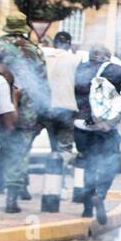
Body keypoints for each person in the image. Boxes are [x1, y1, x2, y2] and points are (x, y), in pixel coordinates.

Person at [0, 12, 51, 213]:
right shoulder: (34, 50)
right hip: (27, 108)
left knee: (3, 146)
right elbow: (42, 82)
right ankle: (12, 198)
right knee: (19, 151)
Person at [74, 47, 121, 225]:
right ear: (107, 57)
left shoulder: (80, 68)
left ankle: (87, 209)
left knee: (88, 165)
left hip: (80, 125)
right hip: (104, 127)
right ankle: (100, 194)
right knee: (111, 162)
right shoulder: (112, 70)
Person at [41, 31, 81, 164]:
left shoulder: (44, 57)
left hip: (47, 107)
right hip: (67, 107)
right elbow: (80, 85)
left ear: (54, 43)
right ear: (69, 44)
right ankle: (60, 175)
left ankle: (53, 171)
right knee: (65, 145)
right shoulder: (75, 60)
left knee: (54, 145)